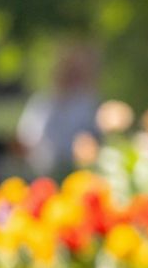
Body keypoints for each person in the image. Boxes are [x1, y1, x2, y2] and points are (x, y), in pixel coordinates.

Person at [16, 43, 99, 177]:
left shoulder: (87, 105)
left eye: (74, 73)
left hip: (77, 171)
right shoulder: (41, 102)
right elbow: (25, 138)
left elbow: (95, 139)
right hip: (40, 172)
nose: (69, 77)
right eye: (67, 71)